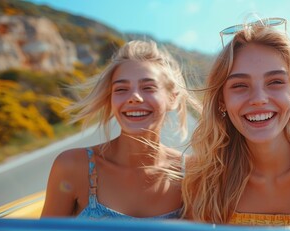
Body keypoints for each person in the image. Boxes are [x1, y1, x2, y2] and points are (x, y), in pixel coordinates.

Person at [182, 17, 290, 228]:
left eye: (275, 82)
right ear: (222, 101)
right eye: (240, 85)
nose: (259, 98)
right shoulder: (204, 174)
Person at [41, 40, 200, 219]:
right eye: (121, 89)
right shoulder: (72, 165)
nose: (134, 97)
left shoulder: (192, 173)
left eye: (148, 87)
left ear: (172, 98)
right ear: (110, 99)